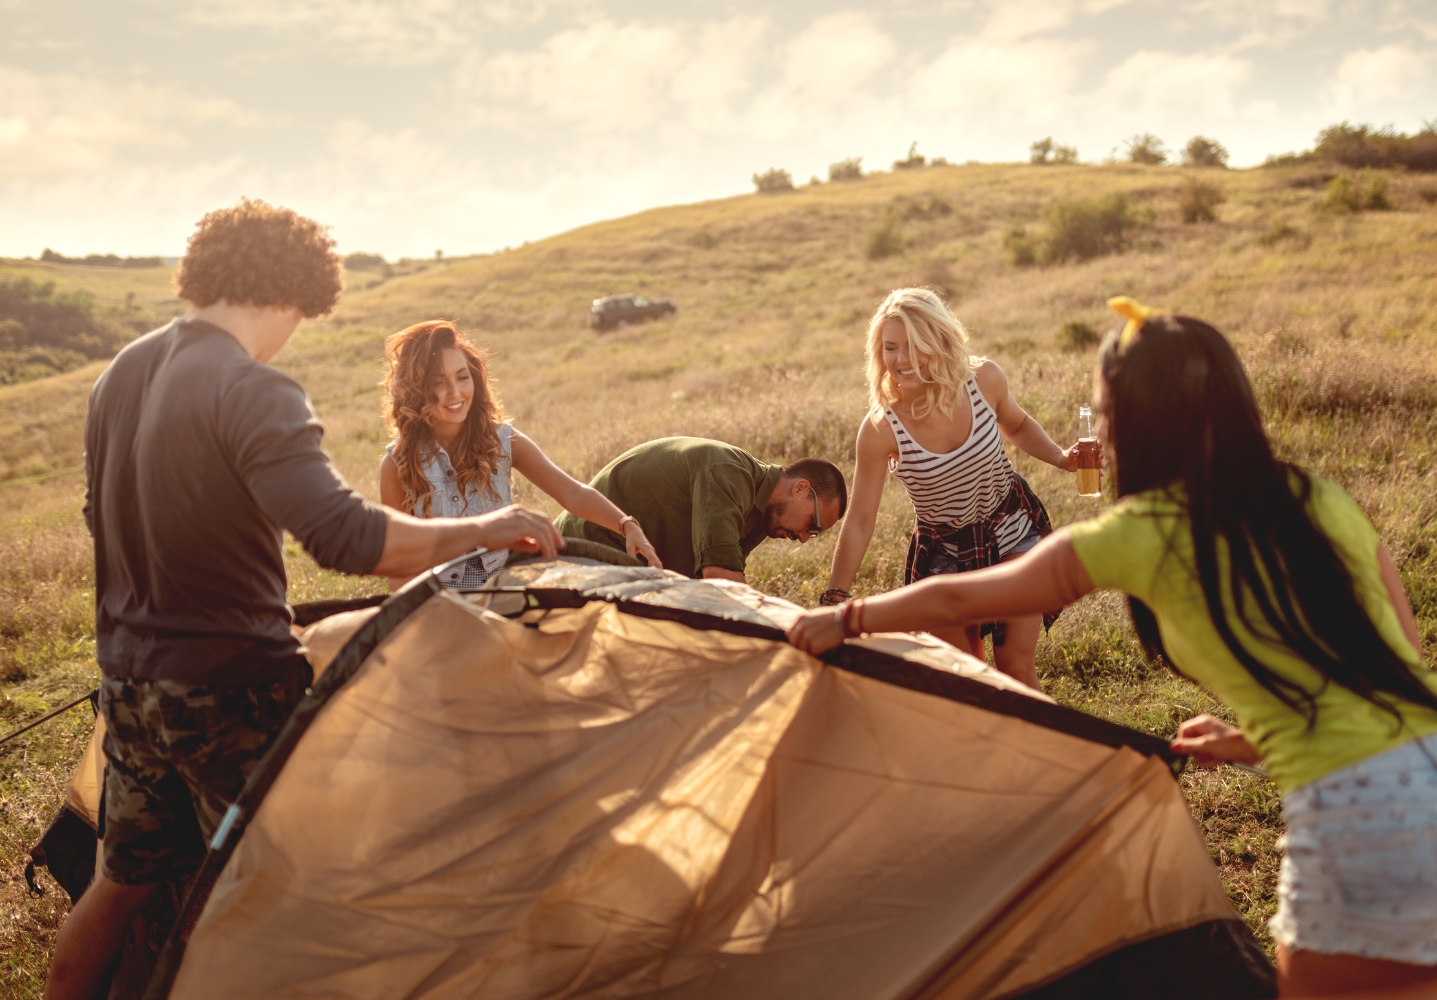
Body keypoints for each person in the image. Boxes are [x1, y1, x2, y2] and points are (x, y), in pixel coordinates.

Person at [788, 298, 1437, 999]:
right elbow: (1404, 669)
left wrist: (846, 618)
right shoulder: (1319, 496)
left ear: (1135, 424)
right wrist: (1252, 739)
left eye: (1105, 409)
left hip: (1372, 814)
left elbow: (956, 599)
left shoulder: (1141, 532)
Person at [47, 200, 563, 1000]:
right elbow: (346, 537)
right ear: (289, 292)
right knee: (308, 890)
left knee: (124, 883)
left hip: (128, 684)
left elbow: (97, 519)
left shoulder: (121, 373)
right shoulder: (255, 388)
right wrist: (491, 526)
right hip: (230, 689)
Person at [819, 287, 1081, 687]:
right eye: (891, 348)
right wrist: (835, 597)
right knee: (965, 680)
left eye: (915, 346)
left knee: (1016, 667)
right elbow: (859, 521)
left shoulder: (984, 380)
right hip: (943, 554)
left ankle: (1038, 748)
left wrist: (1061, 457)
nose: (902, 360)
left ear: (939, 342)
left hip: (1011, 529)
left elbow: (1018, 424)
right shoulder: (880, 429)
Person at [378, 320, 661, 589]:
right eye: (438, 382)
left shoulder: (503, 440)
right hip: (441, 599)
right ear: (416, 389)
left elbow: (572, 494)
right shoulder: (397, 464)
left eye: (462, 378)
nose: (455, 393)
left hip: (508, 587)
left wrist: (627, 526)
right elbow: (398, 559)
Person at [556, 437, 846, 582]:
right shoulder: (730, 472)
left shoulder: (761, 516)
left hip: (623, 571)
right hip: (577, 554)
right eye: (813, 524)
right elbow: (720, 577)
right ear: (800, 488)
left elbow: (706, 587)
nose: (805, 537)